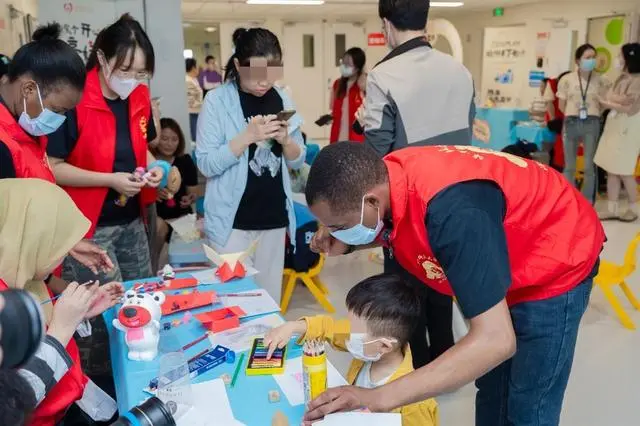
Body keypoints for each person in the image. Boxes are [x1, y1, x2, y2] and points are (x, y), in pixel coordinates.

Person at [302, 143, 604, 426]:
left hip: (556, 258)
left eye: (340, 226)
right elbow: (396, 225)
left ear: (371, 201)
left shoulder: (453, 211)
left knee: (528, 402)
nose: (333, 233)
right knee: (492, 391)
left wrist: (377, 397)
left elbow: (495, 340)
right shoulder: (388, 180)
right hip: (504, 252)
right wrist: (350, 242)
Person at [46, 13, 163, 391]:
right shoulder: (76, 99)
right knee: (101, 318)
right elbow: (53, 167)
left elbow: (141, 148)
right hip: (87, 229)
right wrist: (109, 180)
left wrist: (152, 170)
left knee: (141, 302)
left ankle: (142, 384)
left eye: (141, 72)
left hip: (132, 220)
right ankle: (101, 396)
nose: (132, 79)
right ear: (100, 58)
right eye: (125, 69)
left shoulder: (138, 97)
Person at [357, 0, 476, 368]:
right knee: (442, 287)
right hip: (456, 199)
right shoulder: (460, 72)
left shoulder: (383, 76)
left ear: (386, 24)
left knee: (405, 293)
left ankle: (418, 369)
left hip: (409, 208)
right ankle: (446, 361)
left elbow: (378, 157)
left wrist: (365, 123)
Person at [0, 178, 125, 426]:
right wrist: (62, 328)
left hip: (68, 403)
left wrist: (76, 315)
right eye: (54, 244)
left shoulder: (20, 278)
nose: (59, 260)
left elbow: (38, 341)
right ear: (29, 239)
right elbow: (11, 402)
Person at [195, 28, 306, 302]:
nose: (263, 82)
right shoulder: (217, 101)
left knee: (267, 304)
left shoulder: (282, 98)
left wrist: (285, 141)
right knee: (233, 304)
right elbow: (206, 165)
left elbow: (298, 159)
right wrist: (247, 137)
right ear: (237, 65)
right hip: (232, 223)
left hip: (273, 217)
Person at [0, 24, 114, 275]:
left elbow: (31, 213)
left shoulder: (25, 123)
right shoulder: (3, 146)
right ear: (29, 89)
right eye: (58, 110)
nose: (59, 120)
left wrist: (68, 243)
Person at [266, 274, 438, 426]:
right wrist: (294, 326)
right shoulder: (371, 350)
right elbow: (330, 328)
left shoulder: (414, 404)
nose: (347, 333)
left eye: (354, 330)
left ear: (384, 346)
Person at [594, 42, 640, 222]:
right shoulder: (622, 77)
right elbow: (615, 98)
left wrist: (609, 102)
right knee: (611, 169)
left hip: (627, 129)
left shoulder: (637, 80)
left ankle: (633, 208)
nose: (618, 59)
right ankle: (612, 208)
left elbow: (630, 106)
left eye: (621, 56)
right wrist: (614, 101)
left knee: (625, 170)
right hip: (614, 126)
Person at [557, 43, 608, 203]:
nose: (591, 60)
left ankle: (587, 202)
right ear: (578, 60)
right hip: (571, 121)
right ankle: (570, 200)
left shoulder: (602, 80)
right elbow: (561, 104)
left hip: (591, 122)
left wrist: (595, 112)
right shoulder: (567, 79)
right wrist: (571, 115)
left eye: (593, 57)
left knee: (588, 166)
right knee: (570, 165)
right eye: (587, 57)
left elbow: (606, 102)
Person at [152, 117, 200, 263]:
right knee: (159, 227)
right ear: (156, 138)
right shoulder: (150, 162)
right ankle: (152, 267)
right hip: (158, 218)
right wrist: (153, 194)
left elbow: (194, 192)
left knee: (190, 254)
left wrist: (190, 198)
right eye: (164, 138)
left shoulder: (185, 160)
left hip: (182, 216)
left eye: (174, 139)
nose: (169, 144)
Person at [329, 47, 366, 143]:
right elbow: (333, 109)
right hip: (338, 136)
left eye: (348, 64)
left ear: (357, 67)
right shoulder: (337, 84)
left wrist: (364, 86)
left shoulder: (363, 85)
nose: (344, 66)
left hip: (356, 138)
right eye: (343, 62)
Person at [186, 58, 203, 142]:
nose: (198, 69)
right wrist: (201, 104)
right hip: (192, 111)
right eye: (196, 67)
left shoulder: (194, 79)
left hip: (197, 111)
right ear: (193, 68)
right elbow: (190, 101)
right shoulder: (188, 80)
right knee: (195, 136)